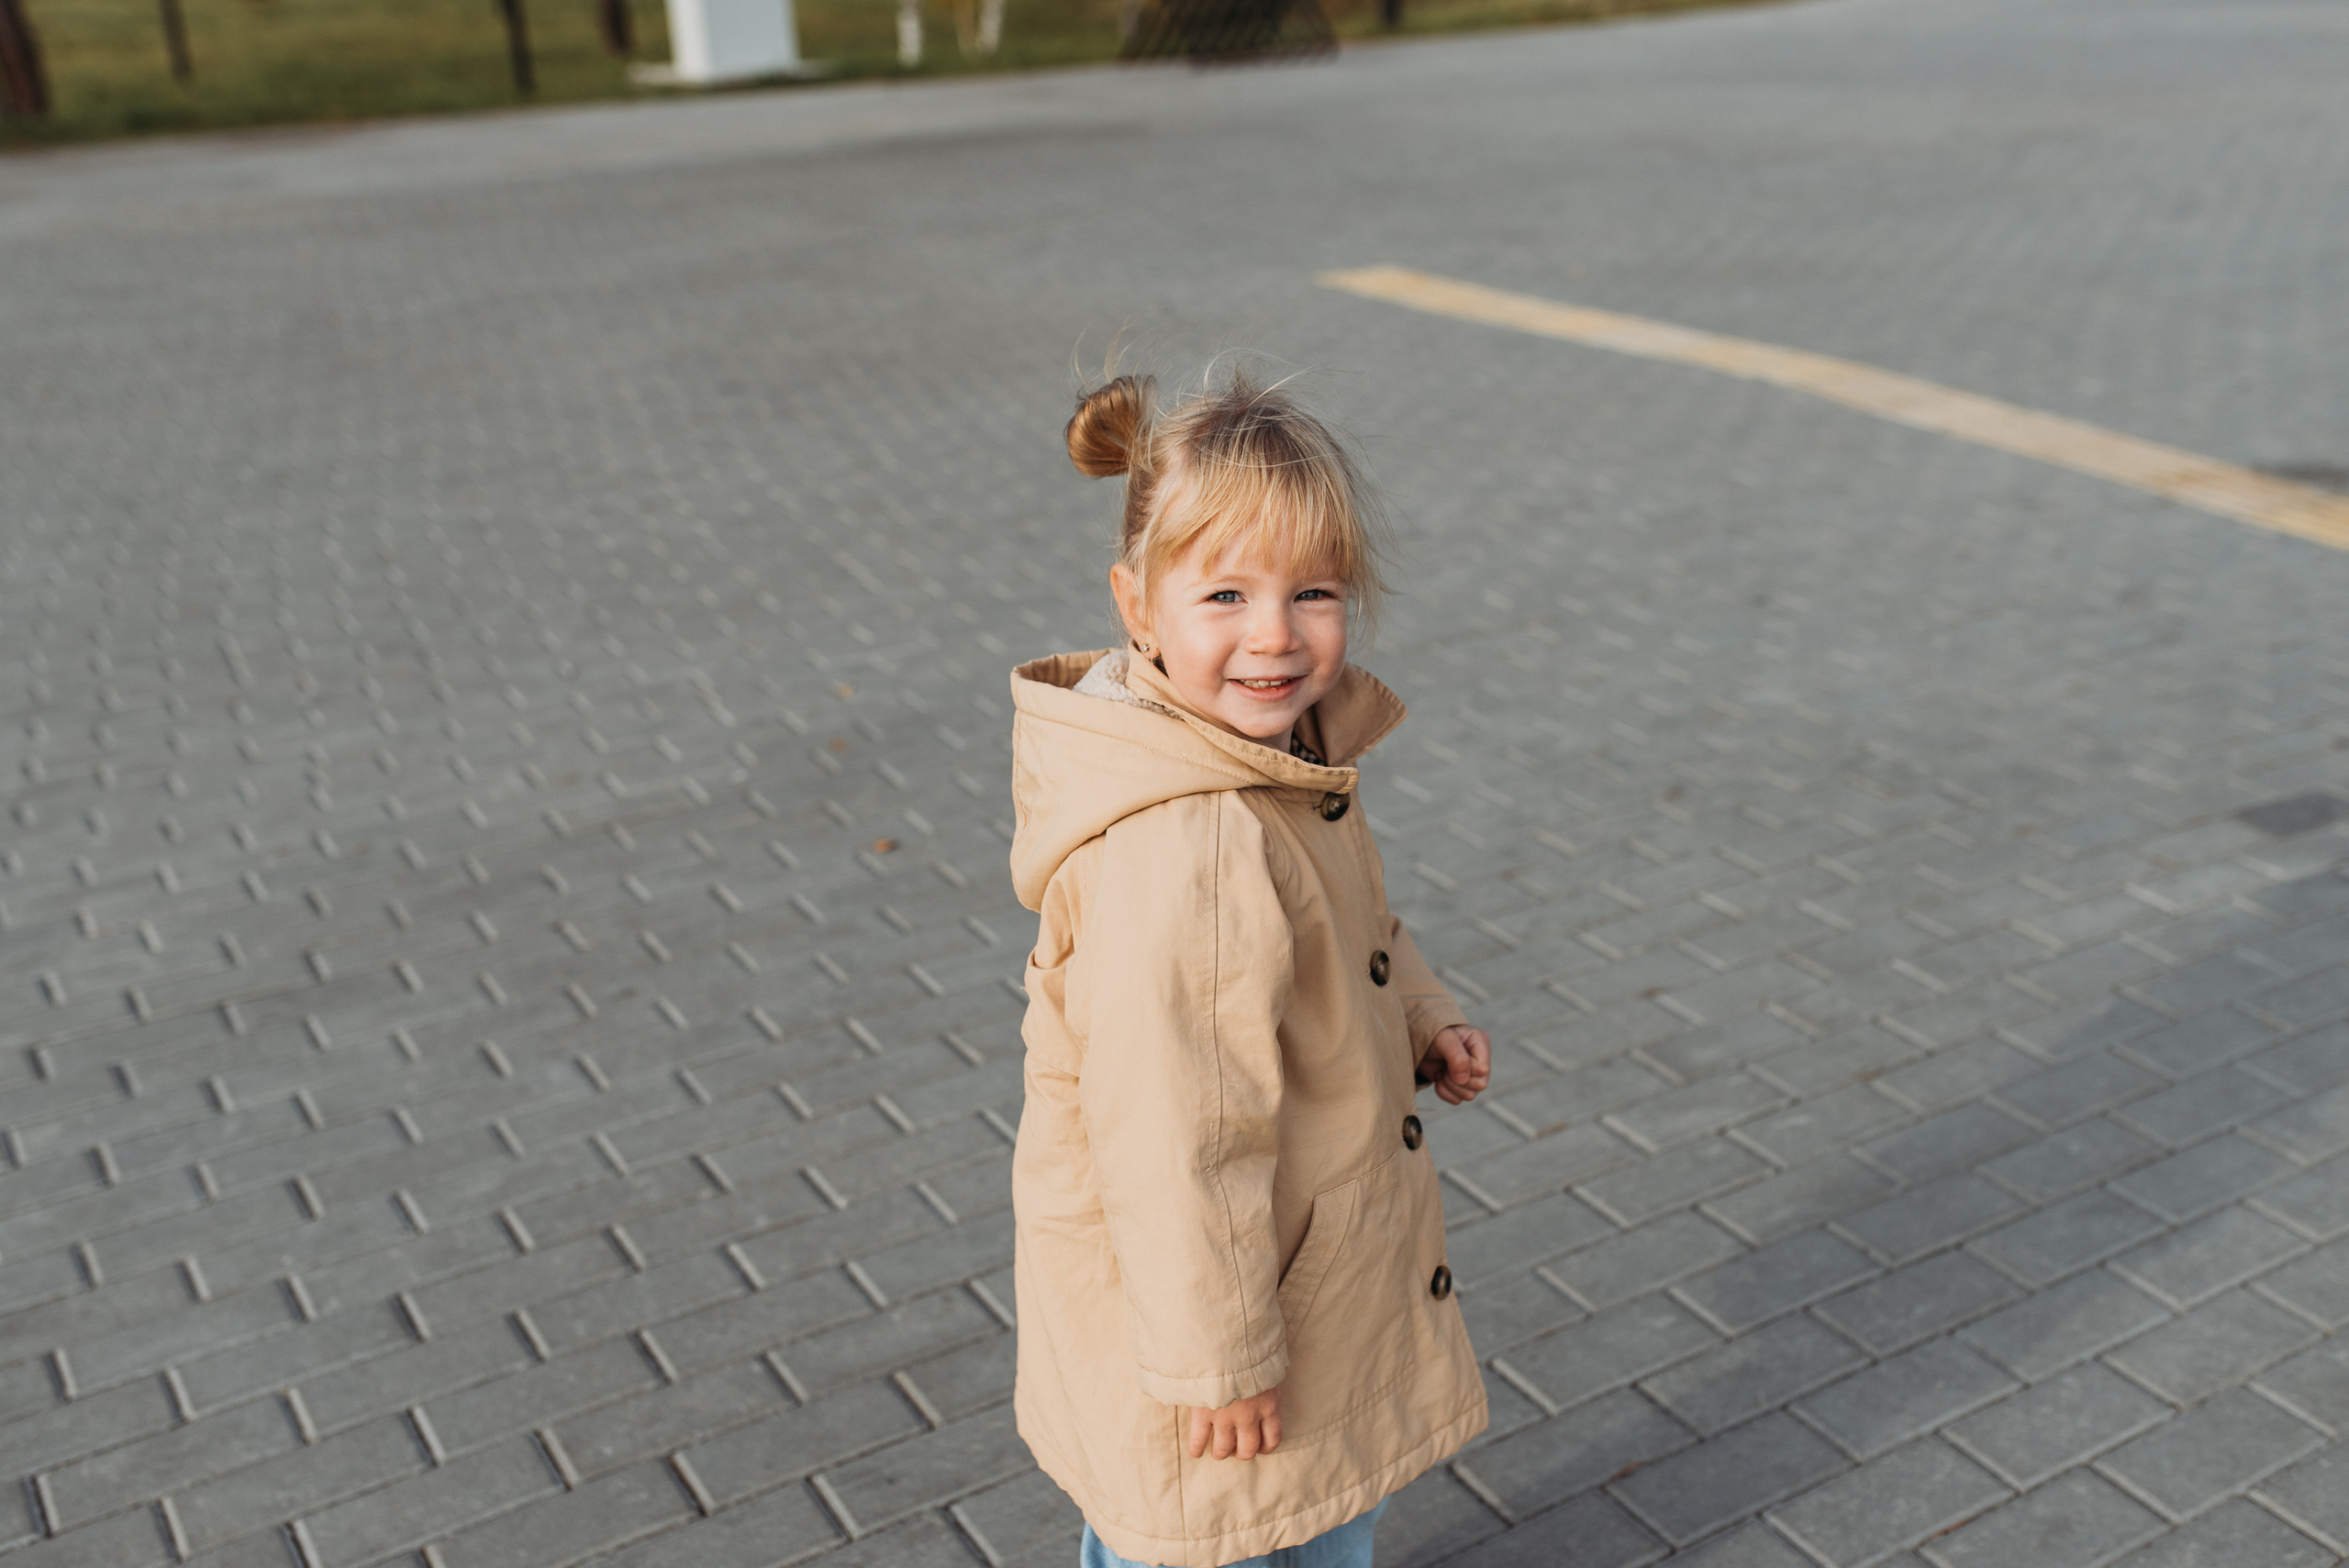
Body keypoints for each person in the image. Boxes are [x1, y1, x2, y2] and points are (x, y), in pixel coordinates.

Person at [1007, 365, 1494, 1568]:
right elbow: (1175, 1131)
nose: (1275, 633)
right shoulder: (1191, 845)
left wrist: (1421, 1015)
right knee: (1218, 1536)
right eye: (1224, 593)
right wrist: (1215, 1361)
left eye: (1312, 592)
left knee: (1306, 1516)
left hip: (1278, 1274)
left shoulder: (1272, 761)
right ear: (1138, 606)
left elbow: (1356, 923)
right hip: (1223, 1318)